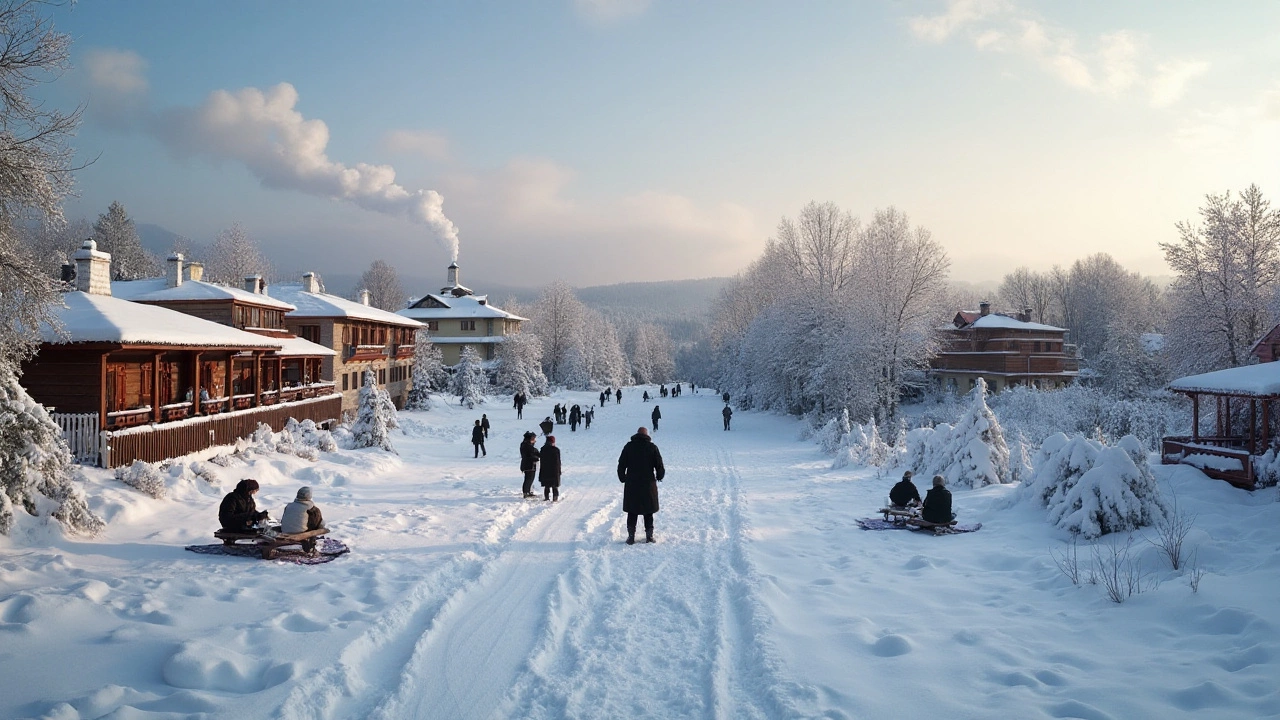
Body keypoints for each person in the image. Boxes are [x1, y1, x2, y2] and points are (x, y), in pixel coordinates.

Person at [618, 427, 665, 544]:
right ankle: (649, 536)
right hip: (648, 484)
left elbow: (621, 464)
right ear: (646, 435)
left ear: (637, 434)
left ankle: (631, 537)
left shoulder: (629, 447)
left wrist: (622, 477)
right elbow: (659, 464)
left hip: (632, 484)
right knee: (648, 511)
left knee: (632, 511)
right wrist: (660, 476)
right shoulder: (652, 447)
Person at [280, 486, 326, 553]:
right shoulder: (312, 508)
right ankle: (310, 543)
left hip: (285, 530)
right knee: (315, 518)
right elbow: (318, 524)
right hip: (301, 533)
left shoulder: (289, 505)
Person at [540, 435, 562, 501]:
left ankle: (546, 497)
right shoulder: (555, 450)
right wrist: (559, 470)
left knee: (547, 485)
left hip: (545, 469)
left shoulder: (543, 449)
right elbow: (558, 461)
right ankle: (555, 497)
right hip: (554, 470)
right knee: (554, 485)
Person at [520, 431, 541, 498]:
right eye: (533, 439)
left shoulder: (526, 445)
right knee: (529, 479)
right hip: (529, 465)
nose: (535, 441)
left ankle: (528, 491)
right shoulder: (528, 446)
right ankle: (526, 492)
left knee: (529, 478)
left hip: (528, 464)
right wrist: (536, 458)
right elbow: (531, 455)